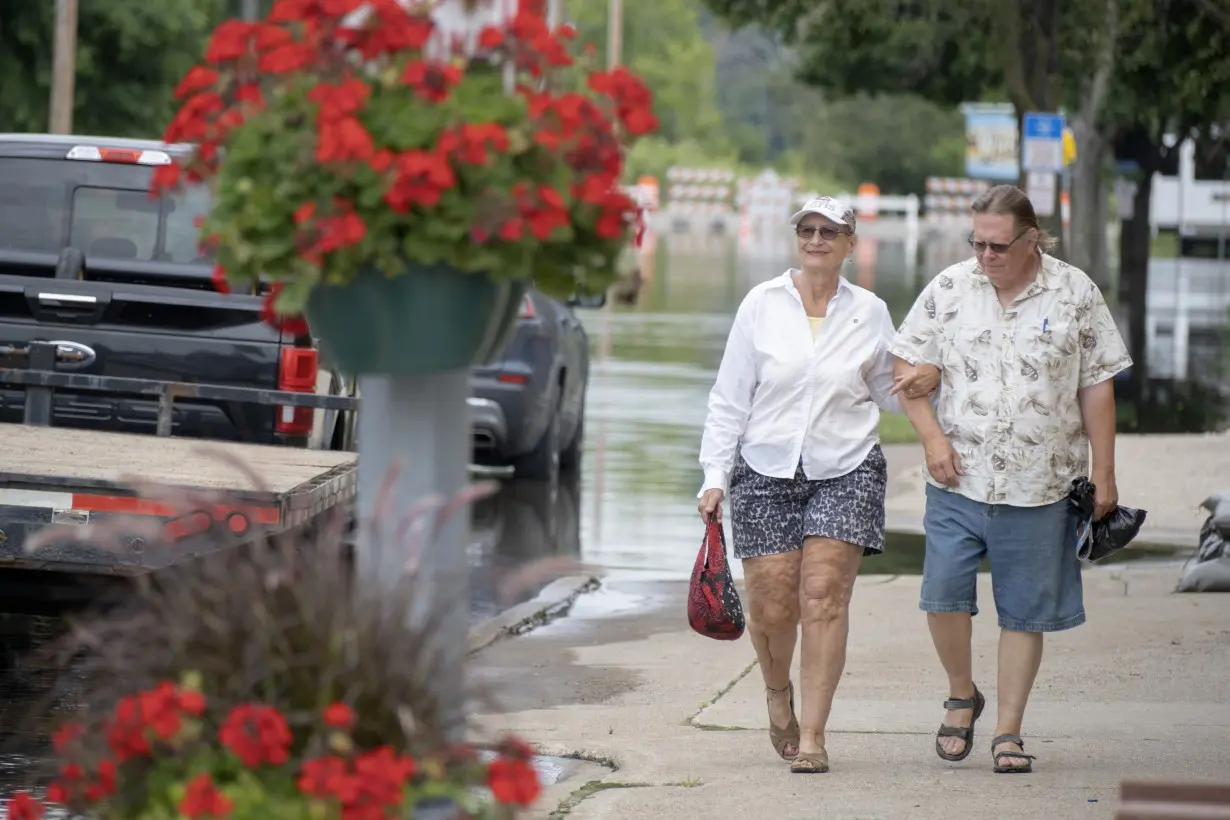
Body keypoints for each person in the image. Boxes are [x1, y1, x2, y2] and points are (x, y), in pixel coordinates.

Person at [889, 184, 1132, 774]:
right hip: (957, 476)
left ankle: (1008, 732)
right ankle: (960, 692)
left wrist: (1105, 472)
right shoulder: (949, 288)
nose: (986, 256)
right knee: (942, 595)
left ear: (1031, 239)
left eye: (998, 245)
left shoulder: (1076, 293)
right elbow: (903, 363)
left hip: (1042, 483)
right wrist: (932, 437)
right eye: (978, 244)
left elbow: (1096, 384)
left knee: (1024, 612)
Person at [697, 196, 940, 774]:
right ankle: (777, 694)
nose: (815, 240)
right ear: (796, 238)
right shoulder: (761, 304)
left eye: (829, 232)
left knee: (825, 596)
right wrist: (714, 475)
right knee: (773, 605)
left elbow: (888, 391)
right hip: (763, 468)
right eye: (806, 229)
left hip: (846, 466)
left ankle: (813, 736)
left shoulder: (871, 311)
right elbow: (730, 398)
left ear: (850, 243)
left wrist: (928, 377)